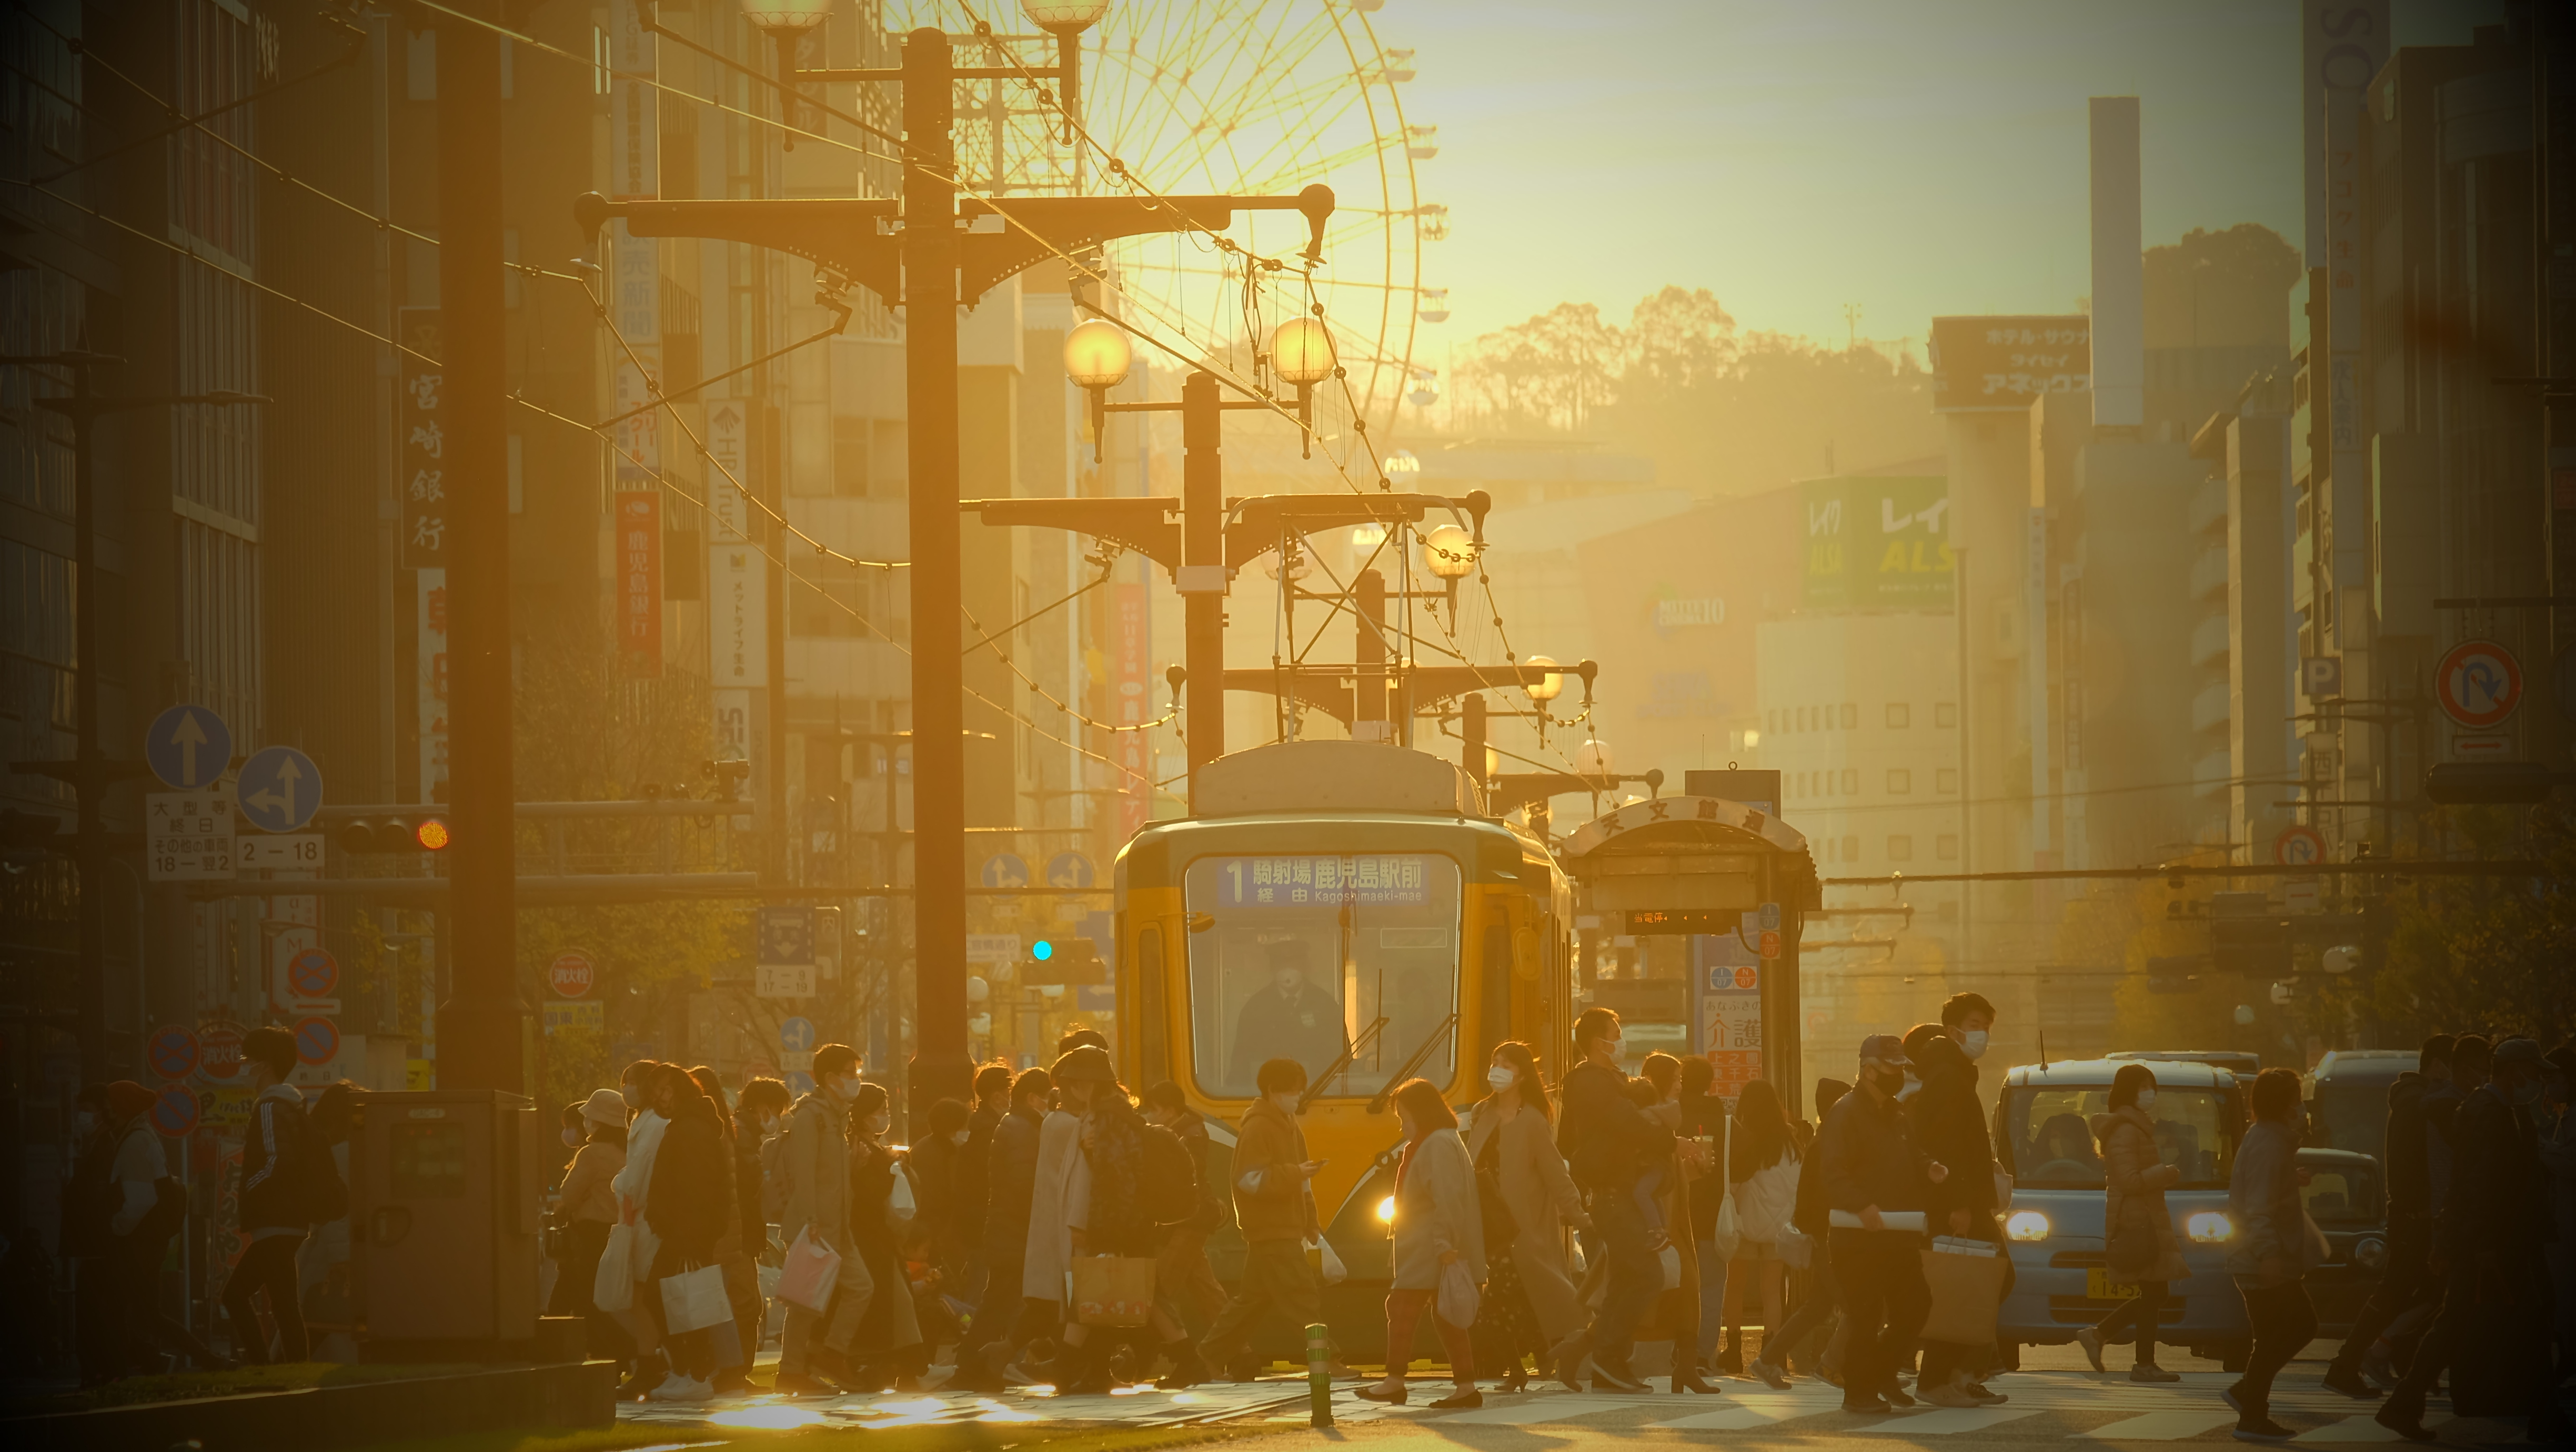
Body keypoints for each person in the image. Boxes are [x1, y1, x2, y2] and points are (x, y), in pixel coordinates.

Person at [2377, 1037, 2567, 1443]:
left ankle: (2404, 1405)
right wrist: (2477, 1247)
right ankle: (2544, 1416)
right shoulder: (2487, 1111)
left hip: (2502, 1244)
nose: (2537, 1081)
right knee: (2497, 1324)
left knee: (2504, 1325)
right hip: (2491, 1248)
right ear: (2515, 1071)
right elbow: (2475, 1183)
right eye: (2533, 1072)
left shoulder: (2507, 1111)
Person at [1816, 1034, 1947, 1415]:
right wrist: (1862, 1206)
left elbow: (1910, 1152)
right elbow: (1834, 1174)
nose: (1898, 1075)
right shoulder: (1845, 1113)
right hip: (1857, 1238)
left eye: (1901, 1068)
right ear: (1868, 1070)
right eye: (1892, 1068)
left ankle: (1882, 1374)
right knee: (1865, 1316)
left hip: (1897, 1235)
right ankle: (1858, 1392)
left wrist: (1928, 1167)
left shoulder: (1894, 1112)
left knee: (1916, 1307)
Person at [1547, 1007, 1673, 1393]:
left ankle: (1583, 1350)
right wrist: (1667, 1139)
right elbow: (1628, 1122)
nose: (1621, 1040)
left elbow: (1574, 1138)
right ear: (1597, 1043)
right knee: (1648, 1275)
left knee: (1623, 1283)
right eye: (1615, 1033)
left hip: (1623, 1194)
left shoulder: (1612, 1078)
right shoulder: (1587, 1082)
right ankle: (1607, 1358)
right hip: (1613, 1196)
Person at [2322, 1035, 2443, 1398]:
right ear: (2439, 1065)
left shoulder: (2416, 1100)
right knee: (2400, 1294)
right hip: (2415, 1217)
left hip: (2417, 1216)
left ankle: (2389, 1357)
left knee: (2425, 1292)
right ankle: (2356, 1362)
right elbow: (2415, 1166)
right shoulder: (2416, 1102)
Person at [1465, 1042, 1590, 1393]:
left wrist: (1578, 1214)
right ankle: (1540, 1357)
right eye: (1494, 1061)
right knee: (1507, 1300)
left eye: (1505, 1063)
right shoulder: (1482, 1113)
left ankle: (1529, 1364)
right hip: (1487, 1223)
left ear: (1521, 1074)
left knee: (1499, 1300)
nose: (1496, 1069)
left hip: (1520, 1228)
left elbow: (1554, 1173)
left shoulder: (1533, 1119)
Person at [1355, 1078, 1485, 1409]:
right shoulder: (1440, 1140)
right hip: (1430, 1246)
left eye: (1404, 1116)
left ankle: (1395, 1381)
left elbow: (1447, 1197)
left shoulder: (1436, 1144)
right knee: (1446, 1317)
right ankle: (1466, 1386)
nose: (1402, 1124)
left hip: (1431, 1247)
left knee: (1401, 1309)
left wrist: (1444, 1244)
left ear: (1421, 1113)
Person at [1199, 1057, 1331, 1380]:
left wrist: (1310, 1219)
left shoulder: (1288, 1125)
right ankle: (1328, 1360)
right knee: (1302, 1295)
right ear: (1274, 1091)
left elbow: (1302, 1180)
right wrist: (1294, 1173)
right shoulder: (1258, 1127)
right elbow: (1249, 1179)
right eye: (1294, 1091)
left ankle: (1205, 1358)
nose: (1299, 1097)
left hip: (1278, 1227)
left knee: (1250, 1303)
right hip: (1273, 1228)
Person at [1903, 1022, 2006, 1408]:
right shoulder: (1948, 1078)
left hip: (1965, 1199)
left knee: (1966, 1285)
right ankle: (1941, 1377)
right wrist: (1959, 1204)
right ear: (1953, 1032)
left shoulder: (1951, 1075)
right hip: (1959, 1203)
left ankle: (1955, 1375)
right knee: (1971, 1284)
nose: (1983, 1035)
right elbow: (1947, 1147)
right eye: (1976, 1025)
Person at [100, 1079, 230, 1376]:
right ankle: (173, 1361)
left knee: (133, 1311)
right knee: (139, 1312)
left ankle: (188, 1361)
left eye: (107, 1105)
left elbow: (140, 1200)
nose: (103, 1111)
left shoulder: (134, 1141)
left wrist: (114, 1227)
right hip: (149, 1241)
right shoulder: (143, 1135)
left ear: (119, 1108)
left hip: (139, 1242)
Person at [2225, 1066, 2318, 1443]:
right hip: (2259, 1256)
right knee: (2301, 1326)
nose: (2301, 1107)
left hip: (2257, 1254)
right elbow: (2257, 1207)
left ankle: (2250, 1406)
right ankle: (2249, 1409)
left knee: (2272, 1336)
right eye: (2296, 1100)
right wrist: (2269, 1255)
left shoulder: (2269, 1139)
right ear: (2283, 1105)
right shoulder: (2267, 1142)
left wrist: (2289, 1176)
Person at [2077, 1064, 2185, 1384]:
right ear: (2127, 1092)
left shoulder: (2136, 1127)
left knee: (2155, 1292)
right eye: (2142, 1087)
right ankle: (2137, 1360)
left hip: (2145, 1215)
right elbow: (2128, 1180)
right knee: (2155, 1292)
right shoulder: (2126, 1129)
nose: (2149, 1094)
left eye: (2151, 1086)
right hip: (2139, 1219)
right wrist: (2165, 1173)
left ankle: (2103, 1337)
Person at [637, 1065, 731, 1401]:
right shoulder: (688, 1125)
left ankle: (693, 1372)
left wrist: (688, 1233)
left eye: (665, 1090)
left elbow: (697, 1188)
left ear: (680, 1089)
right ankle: (687, 1371)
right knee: (680, 1300)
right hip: (684, 1230)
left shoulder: (690, 1129)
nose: (661, 1099)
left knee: (671, 1299)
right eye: (656, 1093)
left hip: (686, 1232)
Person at [224, 1026, 315, 1365]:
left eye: (248, 1059)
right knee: (279, 1302)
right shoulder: (291, 1104)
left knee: (242, 1297)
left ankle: (267, 1370)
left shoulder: (269, 1106)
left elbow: (277, 1160)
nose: (244, 1066)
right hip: (288, 1219)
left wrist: (250, 1187)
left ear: (265, 1063)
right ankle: (280, 1369)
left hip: (275, 1220)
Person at [773, 1044, 859, 1395]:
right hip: (817, 1227)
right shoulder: (812, 1117)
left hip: (839, 1228)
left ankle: (830, 1354)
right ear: (830, 1078)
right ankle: (790, 1372)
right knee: (805, 1302)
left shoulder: (838, 1117)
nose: (856, 1081)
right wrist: (810, 1218)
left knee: (860, 1288)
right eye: (851, 1074)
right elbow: (803, 1173)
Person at [1750, 1078, 1847, 1388]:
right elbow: (1818, 1197)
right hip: (1828, 1239)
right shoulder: (1828, 1144)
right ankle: (1837, 1365)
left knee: (1817, 1306)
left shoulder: (1826, 1140)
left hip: (1825, 1236)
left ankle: (1767, 1361)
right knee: (1856, 1304)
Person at [962, 1066, 1049, 1389]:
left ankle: (976, 1366)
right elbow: (1024, 1186)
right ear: (1032, 1097)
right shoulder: (1023, 1129)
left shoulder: (1019, 1124)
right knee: (999, 1304)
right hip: (1014, 1233)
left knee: (1001, 1303)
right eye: (1048, 1097)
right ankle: (972, 1366)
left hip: (1007, 1231)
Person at [837, 1082, 927, 1390]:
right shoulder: (859, 1152)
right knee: (892, 1304)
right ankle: (901, 1366)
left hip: (878, 1240)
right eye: (881, 1111)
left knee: (898, 1304)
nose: (885, 1116)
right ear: (863, 1117)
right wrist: (891, 1168)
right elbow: (869, 1195)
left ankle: (906, 1366)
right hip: (870, 1239)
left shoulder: (870, 1149)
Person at [687, 1066, 763, 1394]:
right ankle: (731, 1370)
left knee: (718, 1305)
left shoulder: (710, 1132)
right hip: (735, 1233)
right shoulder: (726, 1131)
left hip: (722, 1234)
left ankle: (726, 1370)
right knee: (727, 1304)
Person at [550, 1089, 637, 1368]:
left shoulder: (591, 1153)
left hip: (590, 1235)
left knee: (587, 1298)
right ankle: (623, 1356)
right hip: (623, 1234)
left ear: (598, 1122)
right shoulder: (630, 1151)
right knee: (617, 1298)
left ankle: (594, 1356)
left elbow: (569, 1194)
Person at [1726, 1078, 1802, 1390]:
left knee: (1736, 1286)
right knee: (1773, 1290)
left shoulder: (1742, 1138)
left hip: (1744, 1223)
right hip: (1778, 1227)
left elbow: (1732, 1181)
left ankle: (1732, 1351)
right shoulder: (1791, 1141)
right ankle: (1773, 1354)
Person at [1142, 1080, 1229, 1336]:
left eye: (1154, 1109)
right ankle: (1238, 1353)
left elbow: (1186, 1175)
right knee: (1206, 1291)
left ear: (1170, 1111)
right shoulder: (1185, 1130)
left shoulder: (1187, 1135)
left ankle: (1142, 1351)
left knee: (1159, 1289)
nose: (1150, 1115)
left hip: (1189, 1220)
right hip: (1188, 1220)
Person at [1673, 1057, 1731, 1389]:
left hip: (1677, 1214)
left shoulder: (1670, 1116)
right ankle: (1703, 1355)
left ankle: (1676, 1353)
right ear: (1709, 1084)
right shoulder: (1722, 1120)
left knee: (1678, 1287)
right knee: (1710, 1288)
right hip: (1711, 1216)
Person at [1228, 940, 1350, 1087]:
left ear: (1305, 967)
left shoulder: (1326, 1005)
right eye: (1281, 964)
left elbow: (1341, 1055)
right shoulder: (1255, 1008)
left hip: (1318, 1095)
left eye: (1293, 964)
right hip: (1270, 1095)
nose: (1287, 970)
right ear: (1272, 969)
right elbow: (1241, 1062)